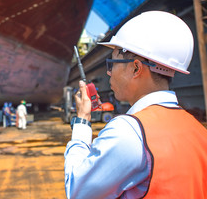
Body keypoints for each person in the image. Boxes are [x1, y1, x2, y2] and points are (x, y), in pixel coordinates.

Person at [64, 11, 207, 199]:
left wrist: (82, 122)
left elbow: (77, 191)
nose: (109, 73)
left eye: (112, 63)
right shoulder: (197, 130)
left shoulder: (129, 132)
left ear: (136, 68)